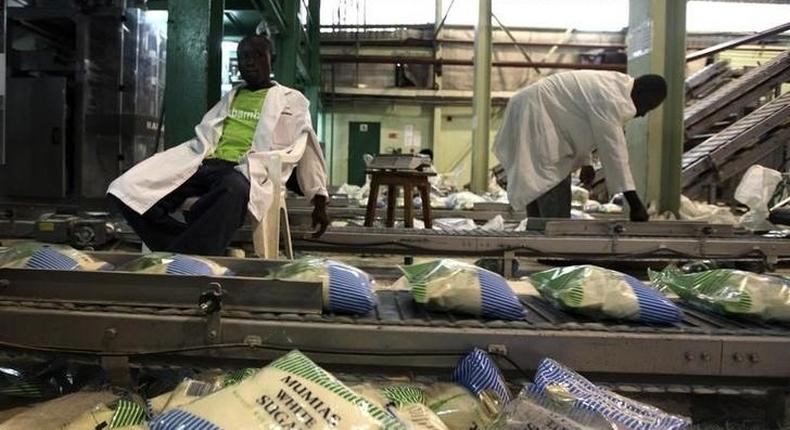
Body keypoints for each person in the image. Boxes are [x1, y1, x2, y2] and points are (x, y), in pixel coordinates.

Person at [107, 34, 329, 256]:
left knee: (234, 189)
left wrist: (319, 201)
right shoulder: (230, 97)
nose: (250, 62)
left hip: (245, 169)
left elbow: (306, 147)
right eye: (244, 57)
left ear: (273, 59)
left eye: (258, 56)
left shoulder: (292, 100)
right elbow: (206, 136)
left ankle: (184, 254)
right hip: (205, 163)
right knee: (125, 191)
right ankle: (193, 251)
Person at [493, 70, 667, 221]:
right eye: (648, 107)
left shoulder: (615, 85)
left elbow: (578, 121)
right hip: (536, 111)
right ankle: (553, 248)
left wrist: (587, 163)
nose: (643, 114)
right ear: (644, 95)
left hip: (533, 107)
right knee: (549, 174)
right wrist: (635, 204)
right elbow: (615, 154)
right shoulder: (613, 99)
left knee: (538, 178)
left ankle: (538, 239)